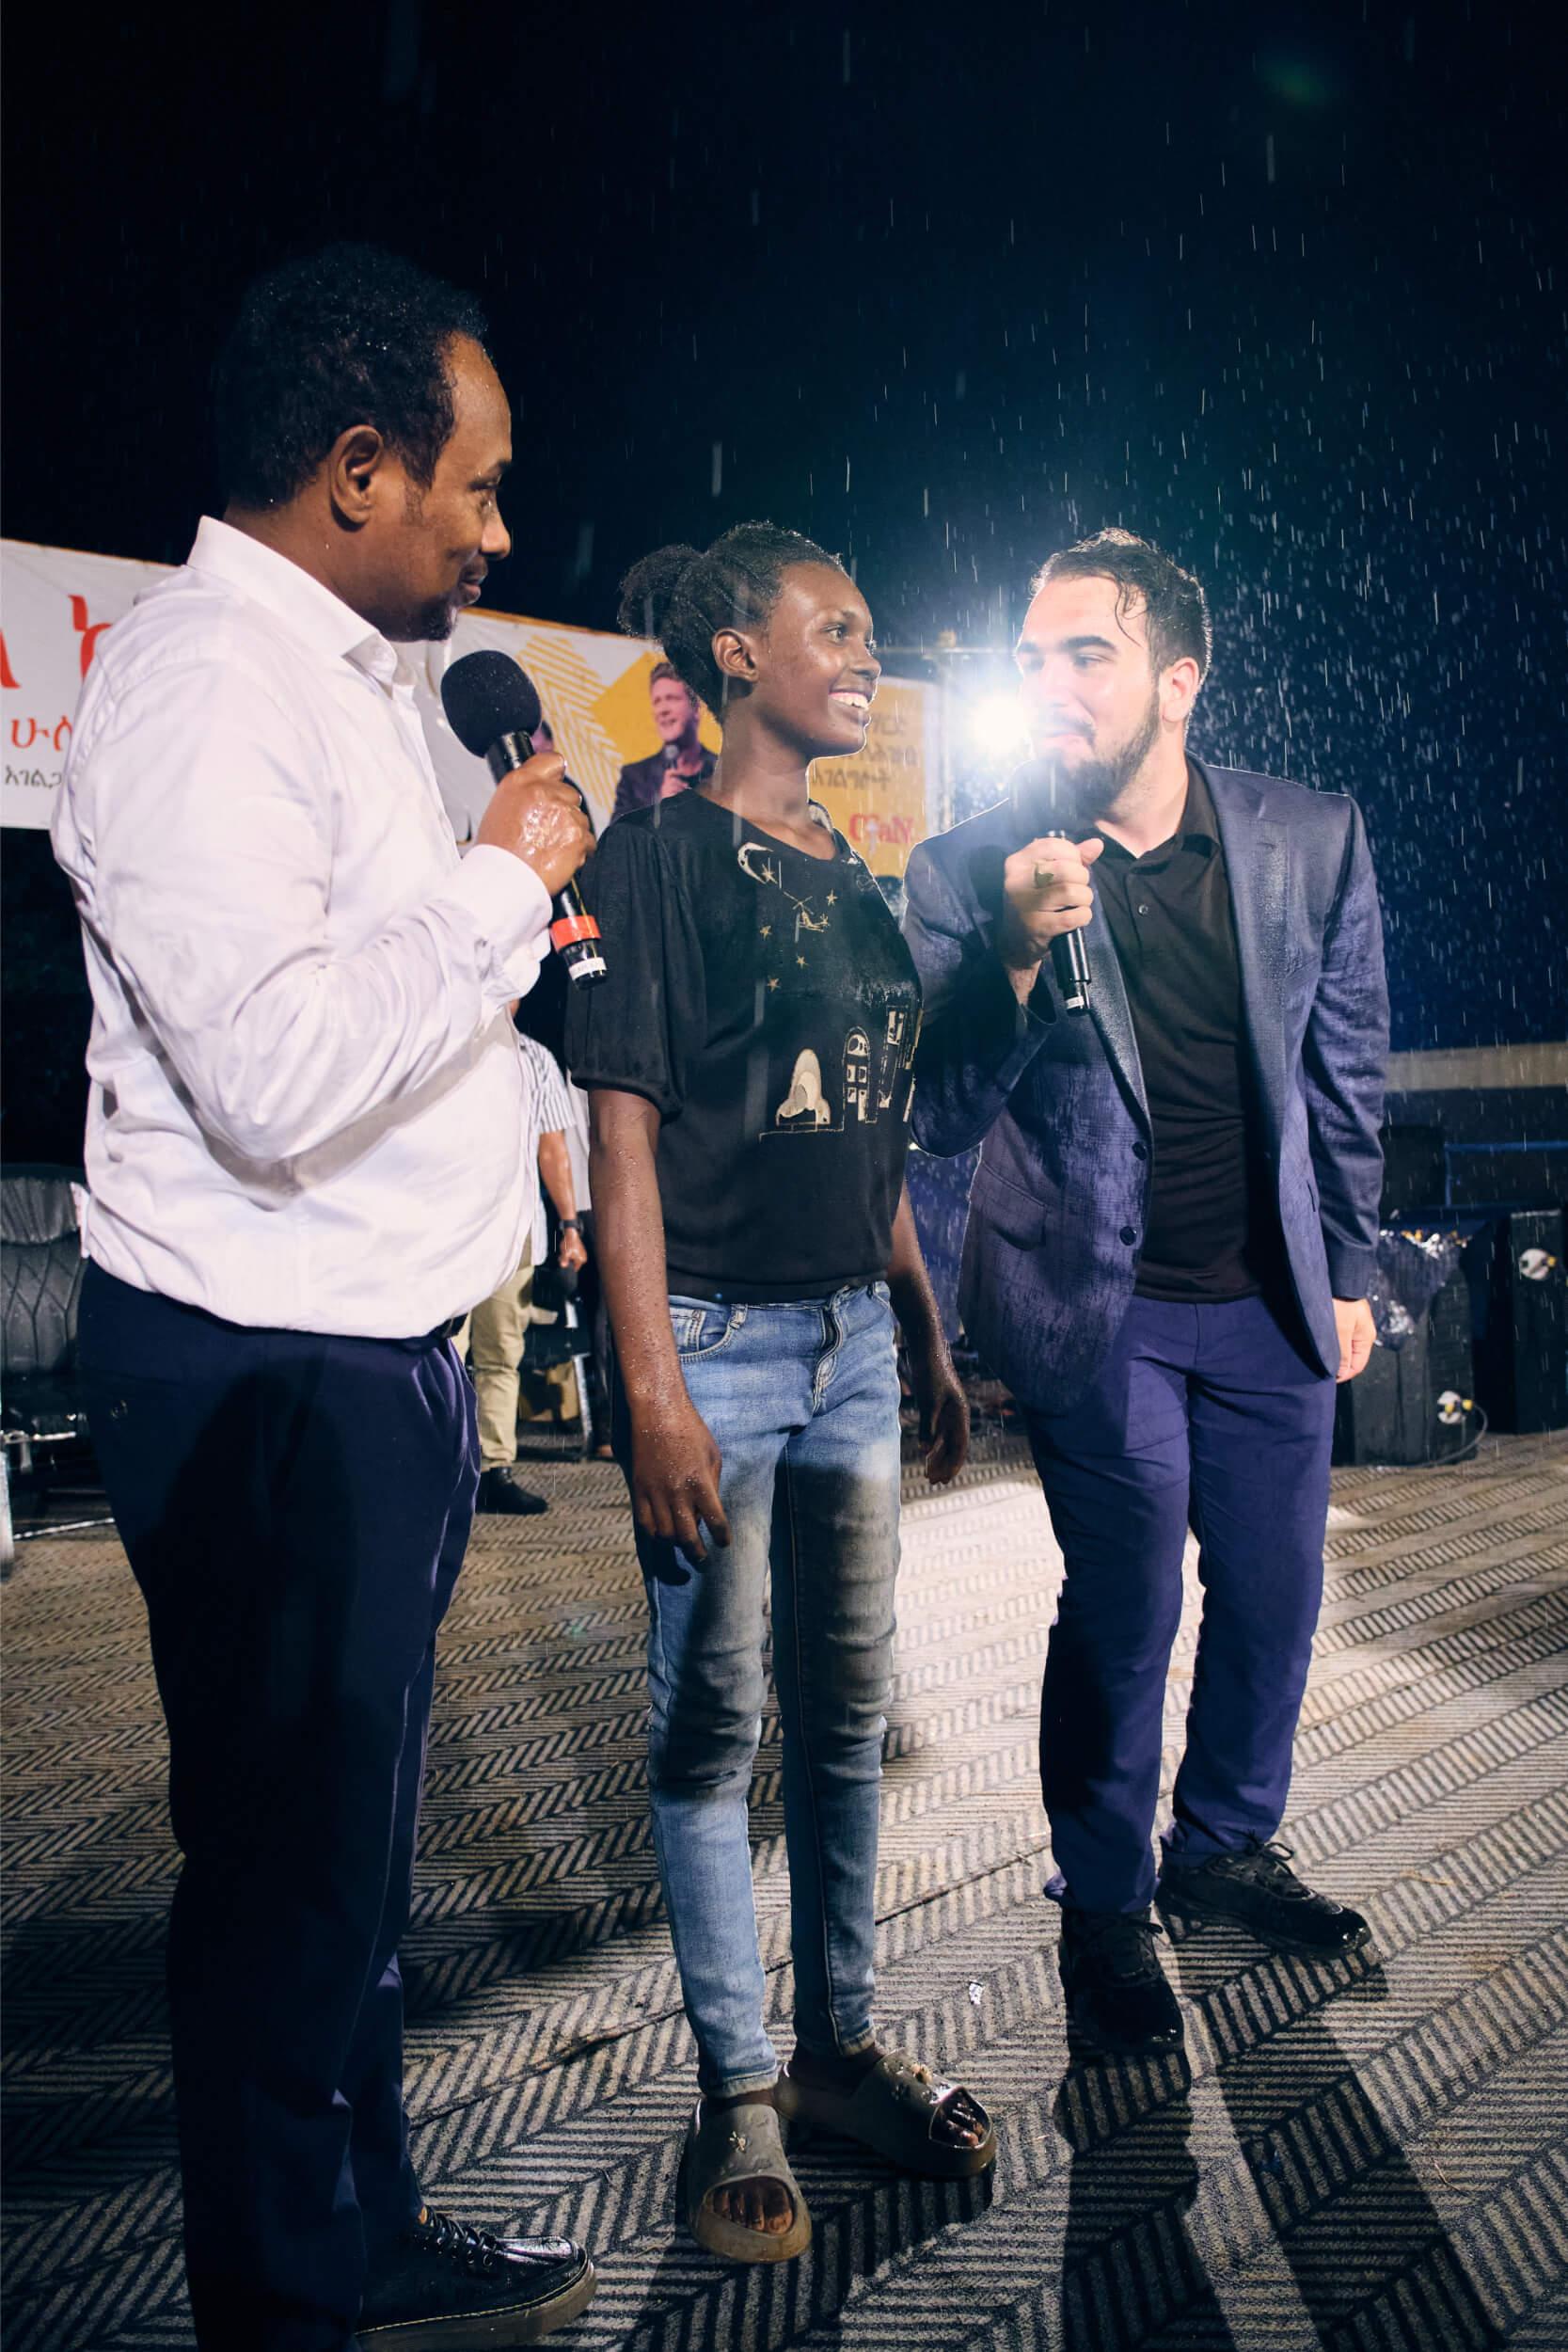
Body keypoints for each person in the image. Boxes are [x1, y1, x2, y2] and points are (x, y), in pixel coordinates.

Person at [50, 245, 597, 2351]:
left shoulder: (341, 682)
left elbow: (392, 1015)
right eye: (478, 483)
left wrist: (504, 991)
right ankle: (282, 2303)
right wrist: (495, 883)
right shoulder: (206, 685)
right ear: (359, 468)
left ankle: (357, 2233)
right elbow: (275, 1072)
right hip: (267, 1371)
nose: (498, 531)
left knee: (343, 1865)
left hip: (365, 1355)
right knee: (284, 1881)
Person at [565, 523, 995, 2265]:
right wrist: (653, 1391)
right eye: (835, 628)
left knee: (842, 1716)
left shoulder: (855, 875)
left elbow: (866, 1128)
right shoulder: (651, 859)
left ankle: (836, 2054)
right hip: (718, 1348)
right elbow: (620, 1139)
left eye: (870, 632)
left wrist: (923, 1328)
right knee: (710, 1726)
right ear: (736, 654)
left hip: (853, 1351)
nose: (865, 658)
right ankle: (736, 2090)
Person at [903, 529, 1387, 2058]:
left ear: (1177, 680)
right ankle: (1104, 1899)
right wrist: (1012, 955)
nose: (1049, 682)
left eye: (1086, 654)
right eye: (1030, 657)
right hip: (1091, 1307)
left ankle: (1225, 1843)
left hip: (1267, 1299)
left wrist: (1349, 1264)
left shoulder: (1306, 836)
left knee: (1273, 1593)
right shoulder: (967, 866)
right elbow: (938, 1107)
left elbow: (1344, 1070)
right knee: (1124, 1607)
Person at [463, 1032, 589, 1514]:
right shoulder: (447, 1037)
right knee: (442, 1355)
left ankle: (494, 1469)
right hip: (447, 1233)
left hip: (513, 1232)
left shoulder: (535, 1058)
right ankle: (439, 1466)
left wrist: (570, 1226)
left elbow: (552, 1148)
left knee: (501, 1354)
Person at [610, 658, 716, 819]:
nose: (662, 710)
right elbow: (618, 834)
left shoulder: (722, 772)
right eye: (657, 701)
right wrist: (658, 807)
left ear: (695, 708)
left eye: (671, 698)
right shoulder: (635, 778)